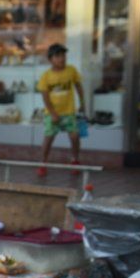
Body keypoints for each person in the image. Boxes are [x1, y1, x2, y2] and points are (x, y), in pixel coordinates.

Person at [37, 43, 85, 177]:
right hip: (52, 114)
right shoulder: (46, 76)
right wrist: (52, 113)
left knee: (75, 137)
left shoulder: (71, 71)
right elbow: (45, 96)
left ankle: (75, 161)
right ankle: (43, 163)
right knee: (48, 138)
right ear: (50, 59)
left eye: (63, 55)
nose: (62, 58)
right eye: (58, 56)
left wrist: (82, 103)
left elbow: (79, 86)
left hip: (69, 112)